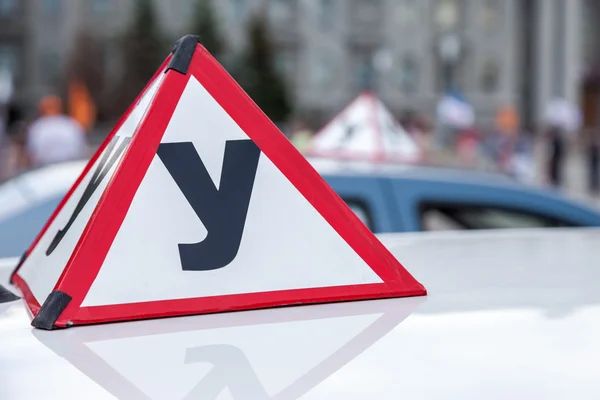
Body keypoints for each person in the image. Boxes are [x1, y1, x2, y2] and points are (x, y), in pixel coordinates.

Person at [26, 95, 88, 168]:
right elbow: (81, 150)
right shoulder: (71, 124)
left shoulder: (37, 127)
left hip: (47, 169)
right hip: (67, 167)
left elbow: (31, 155)